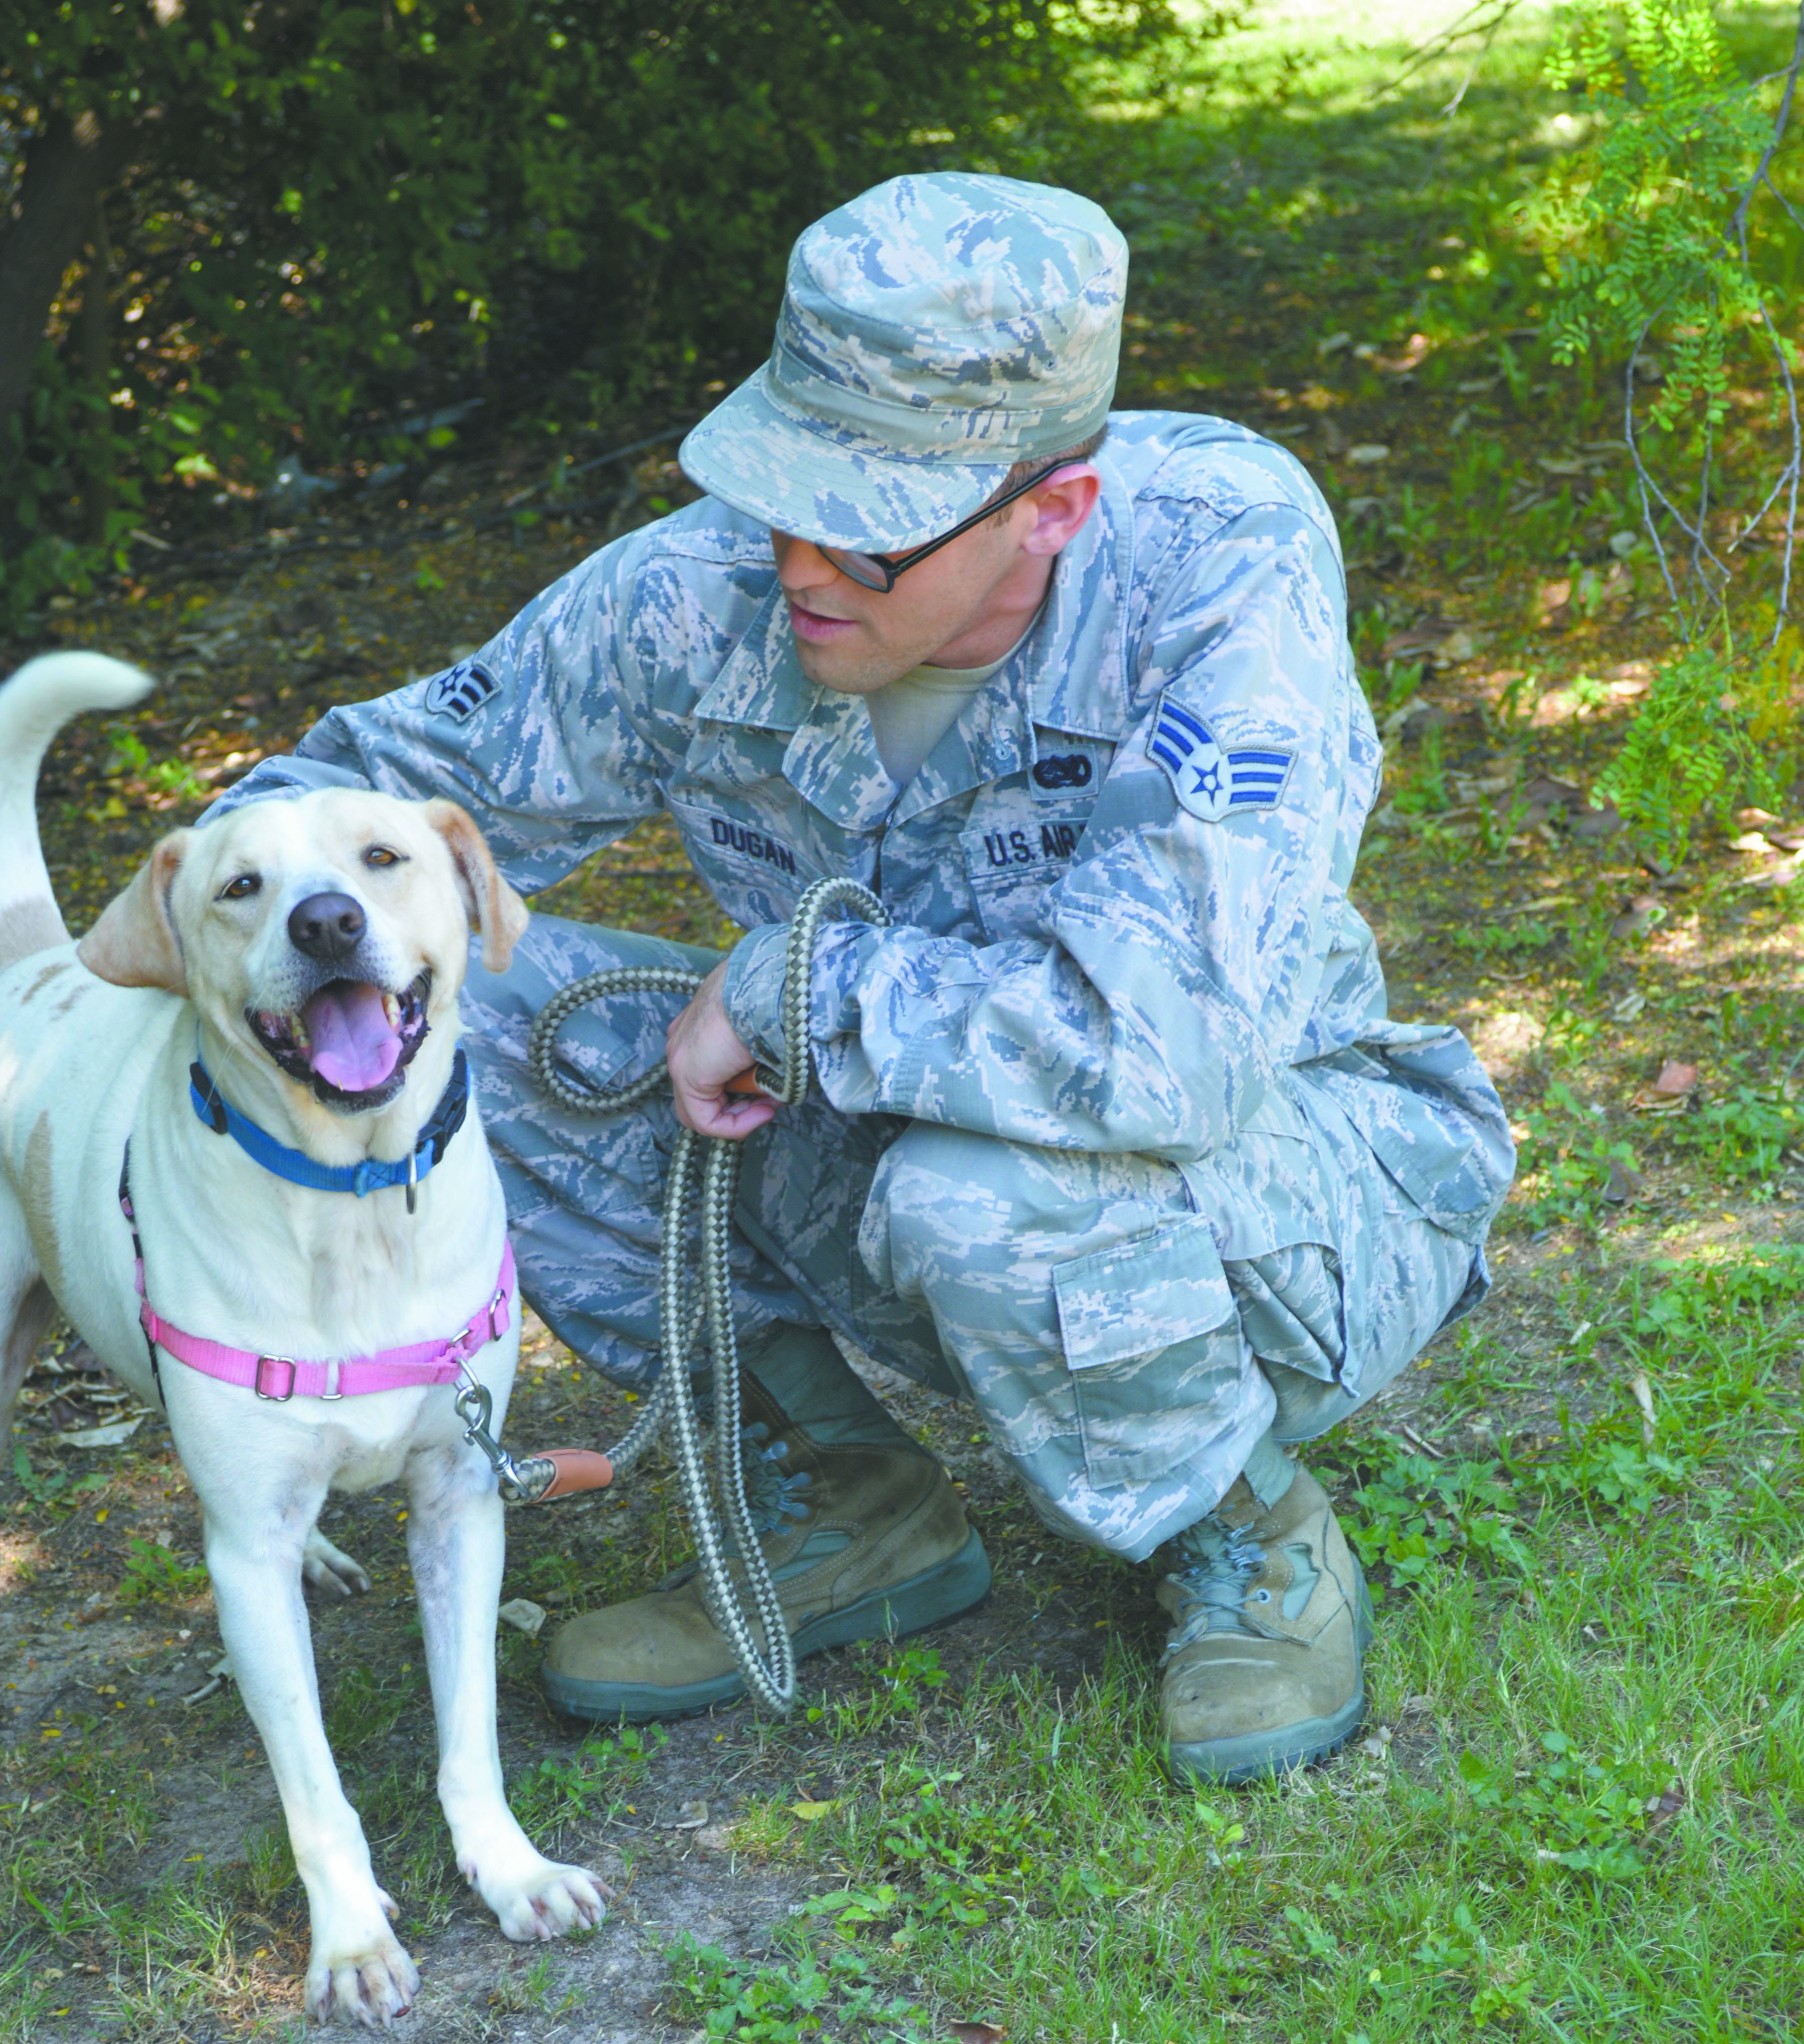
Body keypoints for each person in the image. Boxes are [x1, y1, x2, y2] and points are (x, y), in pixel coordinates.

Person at [216, 172, 1513, 1780]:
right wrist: (182, 954)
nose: (805, 564)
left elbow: (1170, 1052)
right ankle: (845, 1501)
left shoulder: (1215, 558)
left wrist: (785, 997)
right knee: (475, 1024)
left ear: (1053, 509)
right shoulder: (693, 598)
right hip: (909, 1134)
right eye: (784, 492)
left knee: (976, 1195)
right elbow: (338, 797)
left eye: (871, 526)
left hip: (1284, 1168)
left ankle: (1241, 1525)